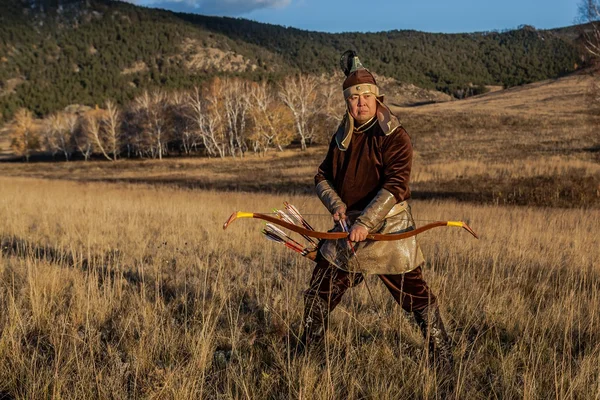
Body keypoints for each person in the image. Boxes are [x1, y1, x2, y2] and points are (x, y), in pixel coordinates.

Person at [300, 51, 453, 367]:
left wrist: (367, 222)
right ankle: (307, 361)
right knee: (319, 293)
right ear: (347, 103)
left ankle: (444, 359)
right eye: (354, 99)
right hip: (348, 230)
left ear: (376, 97)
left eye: (366, 96)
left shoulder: (395, 135)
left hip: (389, 230)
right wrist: (337, 204)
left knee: (416, 297)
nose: (361, 103)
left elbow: (396, 185)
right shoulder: (342, 135)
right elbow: (322, 176)